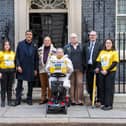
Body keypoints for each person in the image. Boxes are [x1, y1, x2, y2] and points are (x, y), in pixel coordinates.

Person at [15, 30, 38, 106]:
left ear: (32, 36)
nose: (29, 36)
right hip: (21, 67)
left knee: (30, 84)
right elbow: (17, 56)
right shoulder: (20, 44)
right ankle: (18, 99)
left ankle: (29, 99)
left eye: (30, 34)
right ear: (25, 35)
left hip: (31, 67)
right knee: (19, 84)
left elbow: (36, 58)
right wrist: (18, 66)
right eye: (27, 34)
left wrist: (35, 69)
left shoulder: (34, 45)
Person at [96, 39, 119, 110]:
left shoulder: (114, 52)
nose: (108, 44)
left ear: (112, 44)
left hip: (110, 72)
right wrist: (101, 69)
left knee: (109, 88)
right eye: (106, 43)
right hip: (102, 72)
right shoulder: (102, 52)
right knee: (102, 88)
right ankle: (104, 104)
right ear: (105, 44)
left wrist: (107, 70)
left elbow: (114, 63)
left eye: (109, 43)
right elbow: (98, 62)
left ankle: (109, 105)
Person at [83, 31, 102, 105]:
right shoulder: (86, 45)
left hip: (96, 67)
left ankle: (98, 100)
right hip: (89, 67)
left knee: (98, 84)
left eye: (93, 35)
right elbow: (83, 56)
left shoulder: (100, 45)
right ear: (89, 36)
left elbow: (101, 57)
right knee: (90, 84)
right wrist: (84, 66)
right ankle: (92, 99)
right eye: (91, 35)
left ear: (96, 36)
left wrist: (98, 67)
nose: (92, 36)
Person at [64, 33, 84, 105]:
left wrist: (84, 66)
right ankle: (72, 100)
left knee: (79, 83)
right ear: (70, 39)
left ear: (77, 38)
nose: (73, 39)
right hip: (70, 69)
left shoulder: (81, 46)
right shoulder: (66, 47)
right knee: (71, 84)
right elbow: (64, 58)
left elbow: (84, 57)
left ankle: (79, 100)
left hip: (80, 68)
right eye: (72, 38)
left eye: (75, 38)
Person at [38, 36, 56, 104]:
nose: (47, 42)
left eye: (48, 40)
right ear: (43, 41)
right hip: (42, 69)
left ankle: (50, 98)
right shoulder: (39, 49)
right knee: (43, 85)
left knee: (50, 85)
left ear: (50, 41)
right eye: (45, 40)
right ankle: (43, 98)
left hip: (50, 70)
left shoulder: (54, 50)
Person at [0, 40, 15, 107]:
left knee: (9, 87)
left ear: (9, 46)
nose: (7, 46)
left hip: (11, 72)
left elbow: (14, 62)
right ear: (3, 46)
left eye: (8, 45)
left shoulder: (12, 53)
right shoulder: (1, 53)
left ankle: (9, 101)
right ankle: (3, 101)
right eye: (5, 45)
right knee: (3, 87)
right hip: (3, 72)